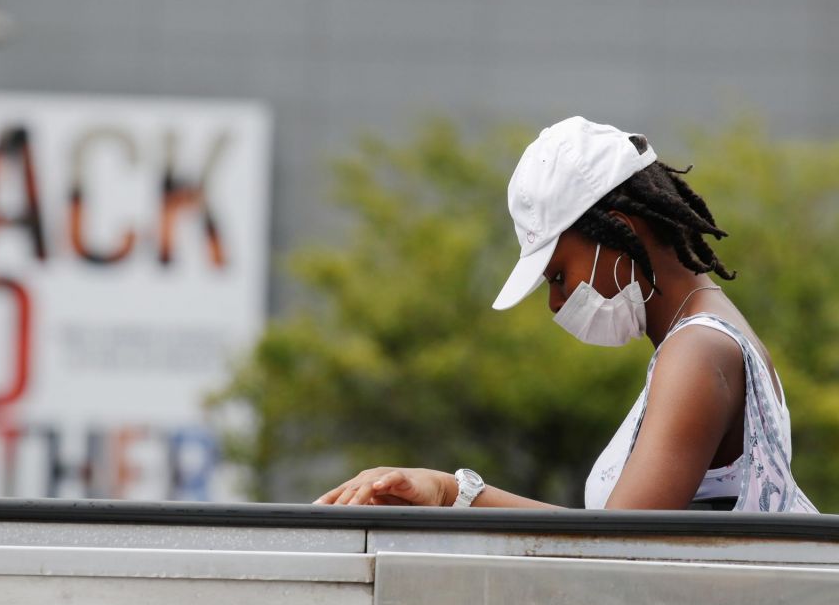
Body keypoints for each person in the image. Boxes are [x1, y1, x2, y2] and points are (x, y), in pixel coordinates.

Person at [314, 116, 818, 513]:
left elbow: (615, 557)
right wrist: (450, 494)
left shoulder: (697, 351)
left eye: (557, 275)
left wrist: (455, 493)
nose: (556, 302)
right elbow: (612, 542)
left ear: (620, 232)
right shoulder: (707, 338)